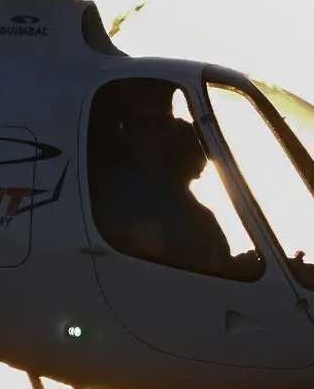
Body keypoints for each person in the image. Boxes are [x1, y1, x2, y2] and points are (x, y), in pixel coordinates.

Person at [89, 80, 243, 276]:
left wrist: (239, 264)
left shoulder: (171, 185)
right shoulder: (123, 189)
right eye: (143, 123)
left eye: (162, 123)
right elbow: (157, 259)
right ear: (126, 128)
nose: (154, 131)